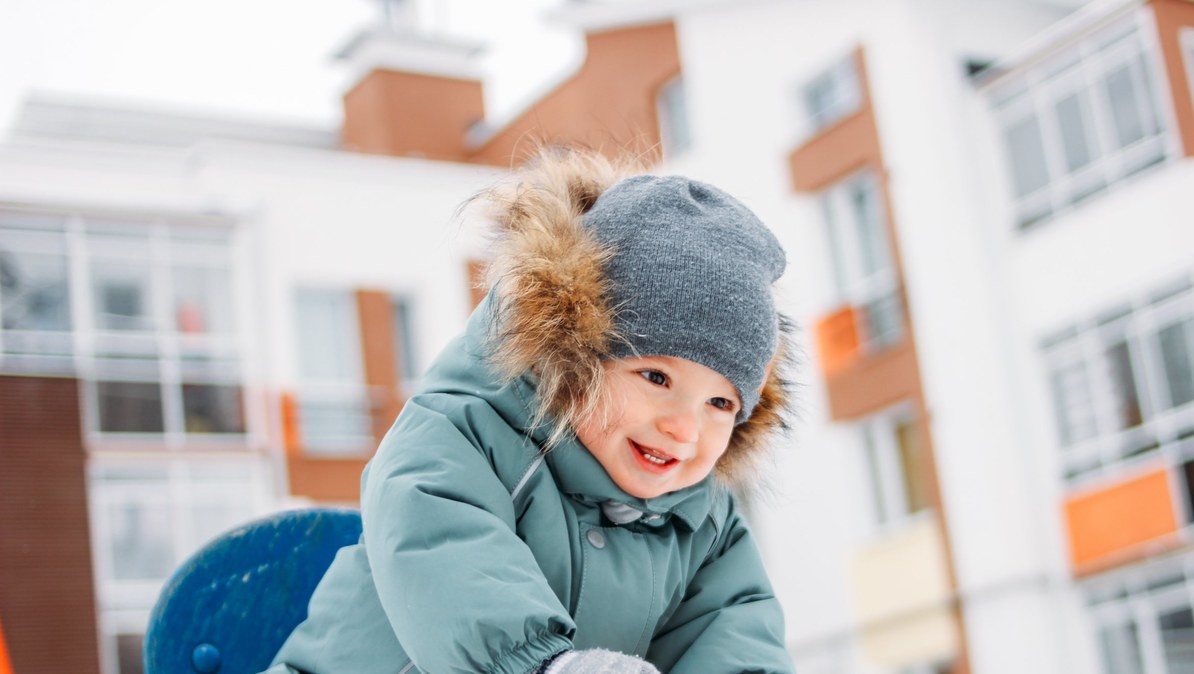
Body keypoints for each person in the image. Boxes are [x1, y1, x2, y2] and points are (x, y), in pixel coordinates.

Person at [264, 148, 796, 674]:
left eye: (720, 403)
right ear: (575, 358)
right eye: (656, 377)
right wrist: (538, 666)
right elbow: (443, 549)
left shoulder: (701, 521)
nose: (684, 427)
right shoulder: (468, 437)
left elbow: (734, 630)